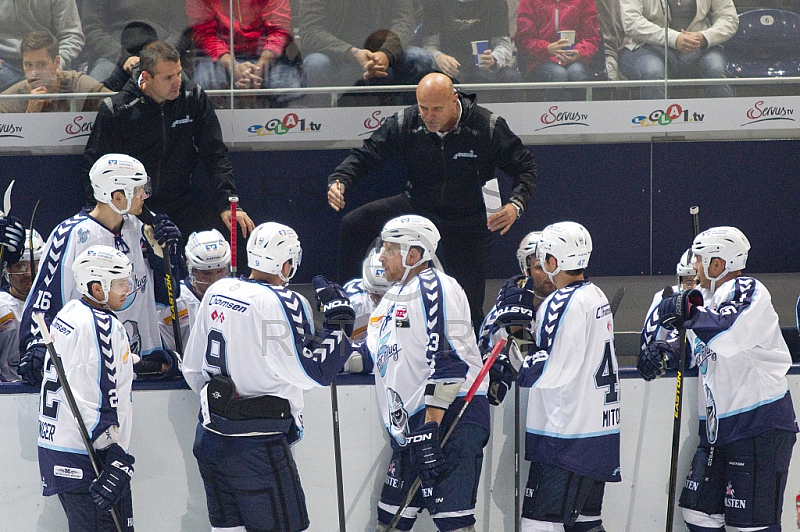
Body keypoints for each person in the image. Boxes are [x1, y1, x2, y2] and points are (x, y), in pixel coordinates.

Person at [327, 72, 538, 330]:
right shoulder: (407, 121)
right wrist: (340, 179)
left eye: (436, 109)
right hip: (418, 208)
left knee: (469, 309)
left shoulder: (487, 126)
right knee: (354, 223)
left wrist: (515, 204)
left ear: (454, 100)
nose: (428, 116)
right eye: (423, 108)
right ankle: (342, 308)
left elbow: (526, 168)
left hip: (468, 218)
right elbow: (368, 154)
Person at [183, 221, 355, 532]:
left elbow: (193, 369)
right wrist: (339, 325)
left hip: (209, 439)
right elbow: (311, 372)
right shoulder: (284, 301)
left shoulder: (218, 290)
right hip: (256, 448)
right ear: (286, 263)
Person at [638, 226, 797, 532]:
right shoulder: (707, 301)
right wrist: (665, 352)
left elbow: (727, 335)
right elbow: (699, 348)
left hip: (758, 426)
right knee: (699, 515)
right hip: (717, 431)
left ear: (718, 264)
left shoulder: (748, 289)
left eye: (699, 259)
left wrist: (690, 314)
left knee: (752, 526)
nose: (694, 266)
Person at [355, 215, 489, 532]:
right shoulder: (389, 299)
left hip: (451, 419)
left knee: (454, 524)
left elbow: (449, 362)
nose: (380, 256)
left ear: (413, 255)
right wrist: (328, 344)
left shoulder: (436, 287)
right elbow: (369, 356)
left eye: (388, 249)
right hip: (413, 428)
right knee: (389, 522)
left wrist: (432, 426)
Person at [82, 40, 255, 271]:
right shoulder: (118, 110)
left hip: (183, 202)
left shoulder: (192, 96)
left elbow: (214, 153)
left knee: (237, 228)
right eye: (168, 78)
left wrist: (227, 202)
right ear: (146, 77)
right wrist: (101, 218)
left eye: (179, 74)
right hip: (135, 210)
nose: (177, 83)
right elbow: (95, 168)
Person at [18, 153, 182, 387]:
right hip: (91, 363)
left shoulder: (146, 228)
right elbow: (44, 297)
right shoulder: (72, 234)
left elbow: (168, 296)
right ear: (116, 196)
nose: (144, 195)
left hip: (142, 363)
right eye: (138, 190)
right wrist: (38, 343)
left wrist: (167, 259)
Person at [502, 221, 620, 531]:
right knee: (585, 523)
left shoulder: (560, 301)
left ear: (555, 261)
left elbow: (547, 370)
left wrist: (516, 335)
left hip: (564, 437)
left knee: (538, 526)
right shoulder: (596, 295)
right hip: (598, 433)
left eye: (543, 258)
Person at [37, 245, 137, 532]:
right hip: (91, 459)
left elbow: (85, 371)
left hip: (58, 450)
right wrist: (116, 457)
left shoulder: (69, 311)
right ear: (97, 286)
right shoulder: (103, 325)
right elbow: (104, 396)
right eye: (119, 283)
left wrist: (133, 362)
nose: (127, 288)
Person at [477, 230, 556, 405]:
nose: (549, 274)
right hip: (513, 405)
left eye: (551, 265)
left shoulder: (562, 303)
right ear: (525, 269)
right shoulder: (510, 307)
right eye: (540, 267)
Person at [300, 0, 435, 90]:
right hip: (336, 58)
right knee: (316, 64)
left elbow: (404, 22)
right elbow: (311, 31)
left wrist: (385, 54)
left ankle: (411, 122)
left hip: (385, 56)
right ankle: (320, 125)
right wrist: (353, 53)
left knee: (420, 58)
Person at [619, 0, 738, 99]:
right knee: (653, 73)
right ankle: (655, 125)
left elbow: (729, 18)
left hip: (698, 46)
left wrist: (704, 37)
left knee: (716, 70)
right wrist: (674, 39)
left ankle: (724, 125)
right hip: (646, 46)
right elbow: (631, 21)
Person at [186, 0, 301, 99]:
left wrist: (259, 68)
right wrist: (233, 65)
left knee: (288, 88)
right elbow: (203, 33)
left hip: (265, 53)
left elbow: (280, 30)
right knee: (205, 87)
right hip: (219, 56)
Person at [81, 0, 191, 92]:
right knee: (92, 93)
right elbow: (92, 29)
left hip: (162, 55)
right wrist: (123, 57)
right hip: (114, 57)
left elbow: (182, 30)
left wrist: (161, 55)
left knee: (189, 93)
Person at [0, 31, 110, 113]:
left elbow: (116, 107)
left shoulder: (79, 85)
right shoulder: (10, 100)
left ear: (56, 62)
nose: (34, 73)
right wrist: (30, 114)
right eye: (28, 65)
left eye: (41, 64)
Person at [158, 229, 230, 352]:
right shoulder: (174, 303)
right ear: (191, 269)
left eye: (220, 271)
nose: (214, 279)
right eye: (206, 273)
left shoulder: (238, 298)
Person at [421, 0, 520, 83]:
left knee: (512, 78)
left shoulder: (496, 3)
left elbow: (503, 44)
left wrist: (494, 58)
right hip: (449, 65)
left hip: (484, 65)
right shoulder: (435, 3)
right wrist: (438, 57)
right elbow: (429, 45)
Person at [0, 0, 84, 91]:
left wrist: (58, 63)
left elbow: (72, 35)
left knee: (42, 84)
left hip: (46, 60)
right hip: (6, 62)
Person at [515, 0, 601, 84]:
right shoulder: (529, 2)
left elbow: (591, 38)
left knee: (577, 73)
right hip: (539, 61)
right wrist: (547, 48)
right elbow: (524, 39)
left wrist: (579, 52)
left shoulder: (585, 2)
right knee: (558, 74)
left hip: (575, 60)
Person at [0, 221, 41, 382]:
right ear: (7, 269)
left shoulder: (58, 305)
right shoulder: (3, 307)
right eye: (19, 266)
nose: (28, 273)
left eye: (33, 265)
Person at [343, 246, 391, 342]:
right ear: (366, 288)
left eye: (385, 295)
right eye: (376, 294)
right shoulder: (353, 303)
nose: (379, 300)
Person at [645, 247, 697, 319]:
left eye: (699, 281)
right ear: (680, 281)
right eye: (689, 281)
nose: (695, 287)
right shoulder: (665, 298)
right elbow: (650, 329)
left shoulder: (716, 299)